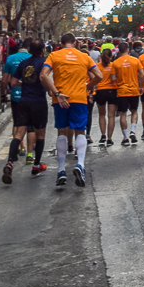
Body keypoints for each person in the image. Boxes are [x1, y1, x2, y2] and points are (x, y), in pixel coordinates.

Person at [40, 33, 101, 187]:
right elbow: (99, 75)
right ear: (75, 43)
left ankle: (61, 171)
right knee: (80, 131)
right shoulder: (84, 57)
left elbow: (43, 76)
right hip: (79, 98)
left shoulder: (54, 55)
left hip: (61, 99)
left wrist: (57, 93)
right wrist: (87, 87)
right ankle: (80, 165)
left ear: (61, 43)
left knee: (61, 131)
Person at [7, 40, 50, 181]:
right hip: (38, 102)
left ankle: (9, 162)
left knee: (19, 133)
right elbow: (44, 79)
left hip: (23, 101)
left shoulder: (24, 63)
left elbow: (13, 83)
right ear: (43, 50)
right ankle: (36, 164)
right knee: (40, 134)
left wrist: (24, 84)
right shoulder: (44, 63)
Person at [111, 42, 142, 146]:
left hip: (122, 91)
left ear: (119, 51)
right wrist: (140, 85)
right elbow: (142, 74)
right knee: (134, 111)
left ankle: (125, 138)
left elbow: (113, 78)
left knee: (122, 114)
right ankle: (132, 131)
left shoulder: (115, 63)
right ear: (128, 50)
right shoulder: (135, 61)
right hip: (134, 90)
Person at [93, 48, 118, 146]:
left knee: (102, 114)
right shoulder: (113, 66)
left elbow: (94, 78)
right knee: (111, 116)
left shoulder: (97, 66)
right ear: (111, 56)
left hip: (100, 91)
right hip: (112, 90)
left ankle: (103, 135)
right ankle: (109, 138)